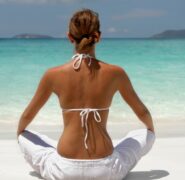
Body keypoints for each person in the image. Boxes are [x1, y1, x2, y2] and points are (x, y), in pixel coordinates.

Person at [16, 8, 155, 180]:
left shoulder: (52, 74)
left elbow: (28, 116)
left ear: (69, 37)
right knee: (141, 134)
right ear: (98, 37)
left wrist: (20, 133)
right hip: (106, 170)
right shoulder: (116, 73)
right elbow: (143, 113)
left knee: (28, 137)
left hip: (65, 170)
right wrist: (151, 131)